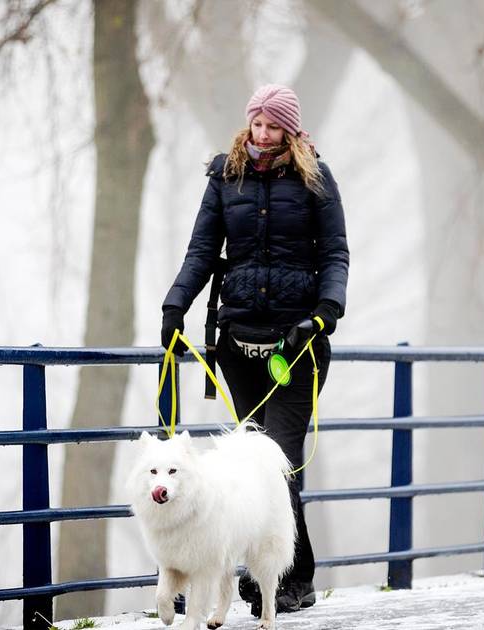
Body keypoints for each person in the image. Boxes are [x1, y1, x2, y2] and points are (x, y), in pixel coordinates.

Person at [160, 83, 349, 615]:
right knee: (251, 465)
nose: (263, 135)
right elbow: (202, 249)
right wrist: (174, 306)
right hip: (237, 345)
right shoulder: (225, 177)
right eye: (257, 125)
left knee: (281, 462)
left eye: (273, 127)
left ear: (289, 130)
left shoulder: (316, 178)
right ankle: (285, 574)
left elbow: (335, 253)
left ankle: (288, 578)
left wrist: (324, 314)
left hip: (297, 345)